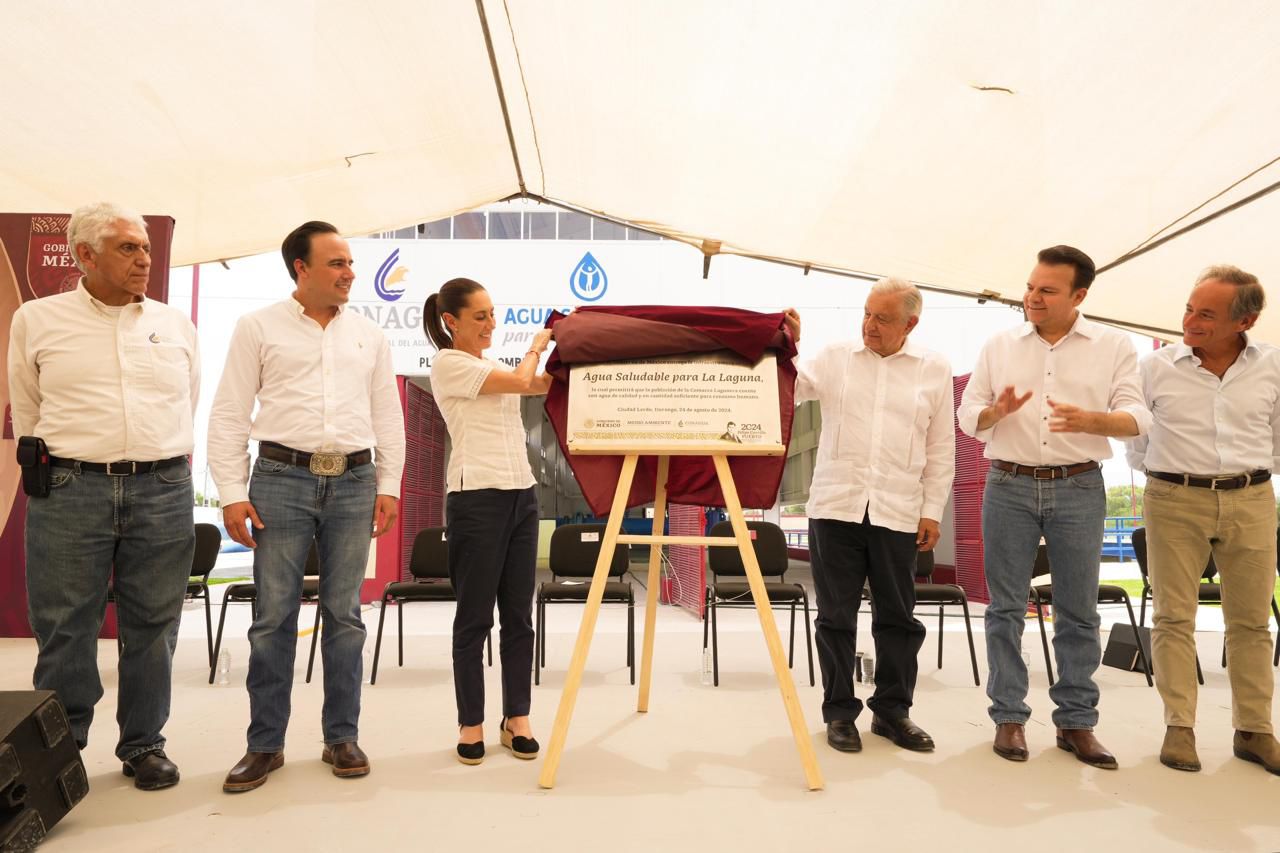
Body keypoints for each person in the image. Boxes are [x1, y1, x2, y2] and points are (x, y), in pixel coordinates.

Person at [7, 202, 199, 790]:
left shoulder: (174, 324)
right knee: (65, 624)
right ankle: (61, 749)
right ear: (85, 255)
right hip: (70, 487)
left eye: (144, 247)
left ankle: (144, 744)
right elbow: (29, 405)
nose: (143, 258)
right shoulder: (37, 321)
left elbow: (186, 398)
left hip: (163, 487)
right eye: (127, 248)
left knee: (155, 623)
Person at [209, 221, 405, 792]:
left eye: (350, 263)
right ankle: (264, 745)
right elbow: (228, 413)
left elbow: (387, 415)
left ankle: (340, 736)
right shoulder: (257, 327)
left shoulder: (370, 335)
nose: (350, 272)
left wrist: (387, 483)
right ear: (301, 267)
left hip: (354, 480)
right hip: (279, 480)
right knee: (272, 618)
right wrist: (232, 492)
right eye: (337, 262)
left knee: (345, 615)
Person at [958, 245, 1150, 769]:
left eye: (1047, 290)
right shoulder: (999, 345)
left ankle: (1076, 723)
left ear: (1079, 295)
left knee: (1078, 613)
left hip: (1079, 486)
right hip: (1008, 484)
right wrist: (995, 411)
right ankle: (1009, 718)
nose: (1032, 297)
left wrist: (1094, 422)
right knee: (1004, 609)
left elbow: (1137, 414)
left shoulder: (1113, 346)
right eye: (1030, 286)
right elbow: (966, 414)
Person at [786, 277, 955, 754]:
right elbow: (791, 388)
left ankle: (892, 712)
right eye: (866, 313)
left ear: (910, 323)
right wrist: (791, 345)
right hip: (836, 505)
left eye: (882, 318)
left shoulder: (933, 369)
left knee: (898, 618)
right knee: (835, 616)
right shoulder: (837, 358)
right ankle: (840, 712)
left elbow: (941, 447)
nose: (869, 325)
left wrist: (932, 511)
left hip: (898, 510)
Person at [1127, 265, 1280, 775]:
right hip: (1174, 498)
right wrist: (1174, 476)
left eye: (1206, 314)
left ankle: (1255, 730)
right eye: (1190, 308)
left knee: (1253, 623)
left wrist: (1244, 478)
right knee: (1173, 618)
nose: (1190, 320)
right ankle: (1180, 728)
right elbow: (1136, 442)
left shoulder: (1273, 366)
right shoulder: (1154, 368)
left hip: (1252, 498)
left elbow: (1277, 439)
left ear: (1246, 320)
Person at [423, 277, 551, 765]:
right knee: (474, 618)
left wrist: (572, 353)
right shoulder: (449, 364)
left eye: (493, 314)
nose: (490, 324)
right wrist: (538, 345)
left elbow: (538, 383)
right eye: (480, 316)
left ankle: (516, 717)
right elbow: (524, 381)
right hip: (476, 499)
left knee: (518, 617)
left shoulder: (492, 365)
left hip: (522, 496)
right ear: (451, 321)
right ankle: (470, 722)